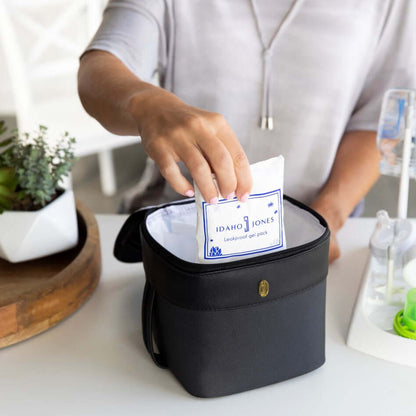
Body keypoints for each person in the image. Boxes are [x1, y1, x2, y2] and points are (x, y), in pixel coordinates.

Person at [78, 0, 416, 262]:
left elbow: (379, 118)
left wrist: (329, 217)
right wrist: (146, 103)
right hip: (177, 234)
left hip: (314, 237)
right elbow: (99, 68)